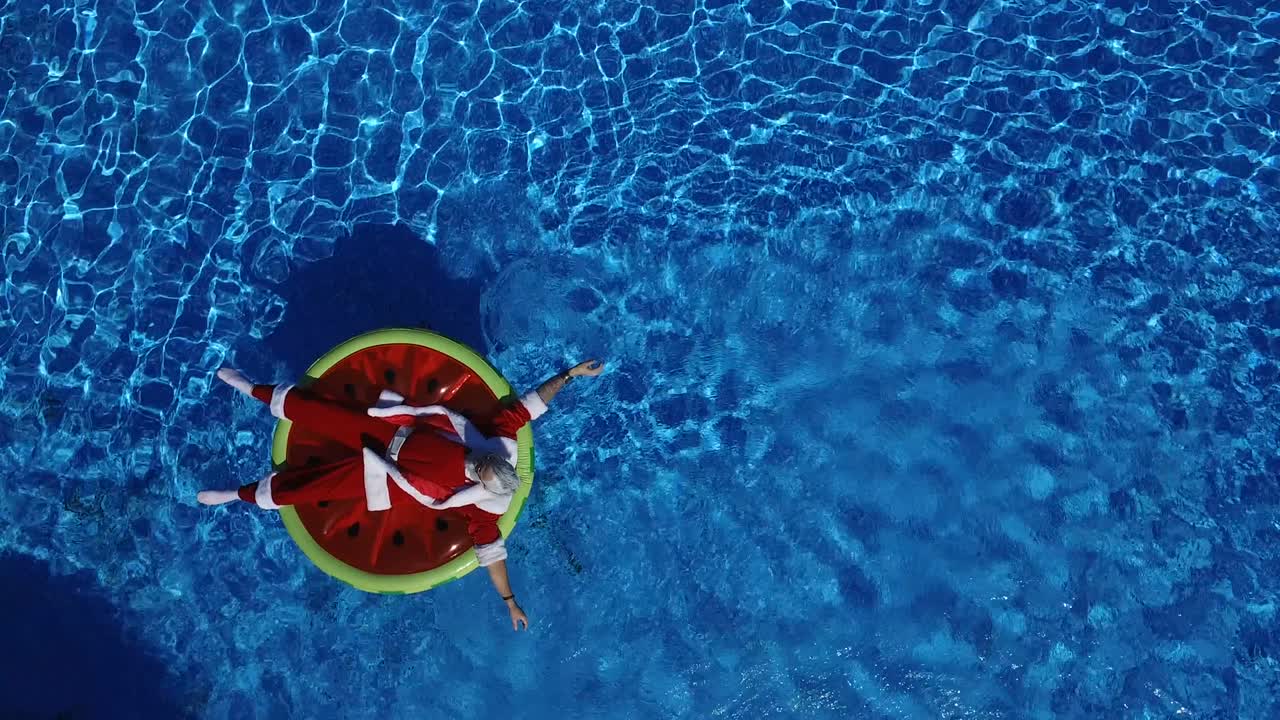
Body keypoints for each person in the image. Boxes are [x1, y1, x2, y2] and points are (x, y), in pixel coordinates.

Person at [198, 359, 605, 630]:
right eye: (483, 460)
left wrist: (510, 601)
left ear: (482, 485)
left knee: (311, 488)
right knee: (317, 411)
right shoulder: (493, 441)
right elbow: (528, 406)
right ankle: (250, 388)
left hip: (386, 477)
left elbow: (492, 553)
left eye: (480, 470)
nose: (478, 461)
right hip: (391, 433)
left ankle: (238, 494)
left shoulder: (483, 508)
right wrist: (570, 375)